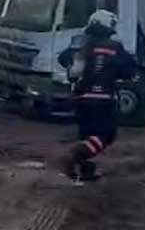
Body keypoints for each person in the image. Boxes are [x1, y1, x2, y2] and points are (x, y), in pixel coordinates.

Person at [58, 9, 137, 182]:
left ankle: (86, 170)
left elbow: (63, 59)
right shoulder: (114, 47)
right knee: (106, 134)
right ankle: (72, 157)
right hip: (102, 99)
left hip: (79, 99)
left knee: (88, 136)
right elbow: (128, 70)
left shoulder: (79, 43)